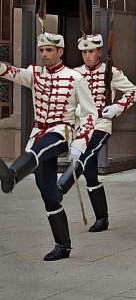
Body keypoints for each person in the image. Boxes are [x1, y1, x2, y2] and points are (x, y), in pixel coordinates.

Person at [0, 32, 97, 261]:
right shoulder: (34, 74)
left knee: (37, 151)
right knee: (47, 192)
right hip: (38, 132)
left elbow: (90, 114)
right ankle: (63, 245)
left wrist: (80, 143)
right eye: (42, 50)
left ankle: (12, 175)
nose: (44, 54)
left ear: (60, 51)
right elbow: (9, 72)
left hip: (60, 132)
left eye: (49, 50)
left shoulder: (75, 78)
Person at [56, 34, 136, 232]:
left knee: (86, 153)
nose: (87, 56)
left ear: (100, 52)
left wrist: (117, 107)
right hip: (81, 125)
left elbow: (133, 91)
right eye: (84, 52)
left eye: (91, 51)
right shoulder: (74, 73)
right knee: (91, 173)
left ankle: (61, 186)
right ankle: (102, 218)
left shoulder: (111, 72)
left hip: (101, 124)